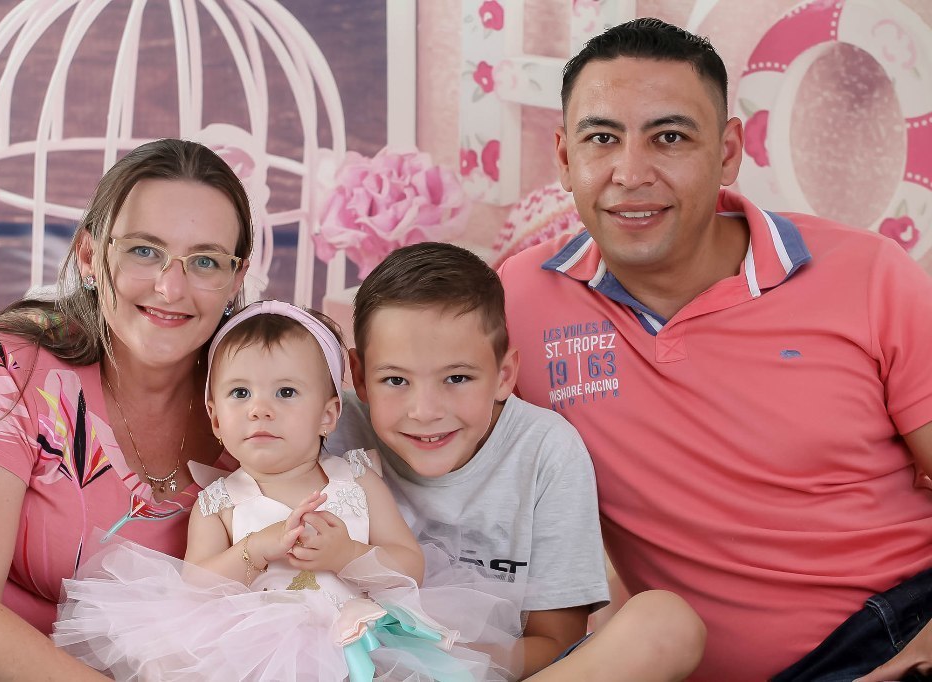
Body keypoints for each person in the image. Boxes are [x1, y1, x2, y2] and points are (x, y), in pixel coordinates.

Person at [496, 16, 932, 682]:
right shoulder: (521, 300)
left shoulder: (869, 274)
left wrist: (919, 654)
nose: (630, 173)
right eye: (601, 139)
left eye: (669, 137)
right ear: (564, 157)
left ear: (728, 152)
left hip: (904, 624)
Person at [0, 138, 253, 680]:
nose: (171, 288)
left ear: (236, 278)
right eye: (144, 250)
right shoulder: (0, 373)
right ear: (90, 255)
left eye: (205, 261)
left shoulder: (259, 404)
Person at [54, 299, 522, 681]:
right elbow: (196, 586)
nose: (260, 409)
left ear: (328, 415)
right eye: (240, 393)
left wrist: (347, 554)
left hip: (361, 641)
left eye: (285, 393)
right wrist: (256, 549)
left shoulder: (355, 479)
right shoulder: (220, 502)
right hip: (254, 652)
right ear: (215, 418)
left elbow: (409, 565)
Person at [326, 241, 706, 680]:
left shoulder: (545, 450)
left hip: (499, 672)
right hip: (355, 665)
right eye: (395, 380)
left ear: (504, 375)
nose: (425, 411)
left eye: (457, 378)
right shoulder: (329, 429)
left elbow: (556, 642)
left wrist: (447, 661)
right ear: (359, 376)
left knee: (666, 623)